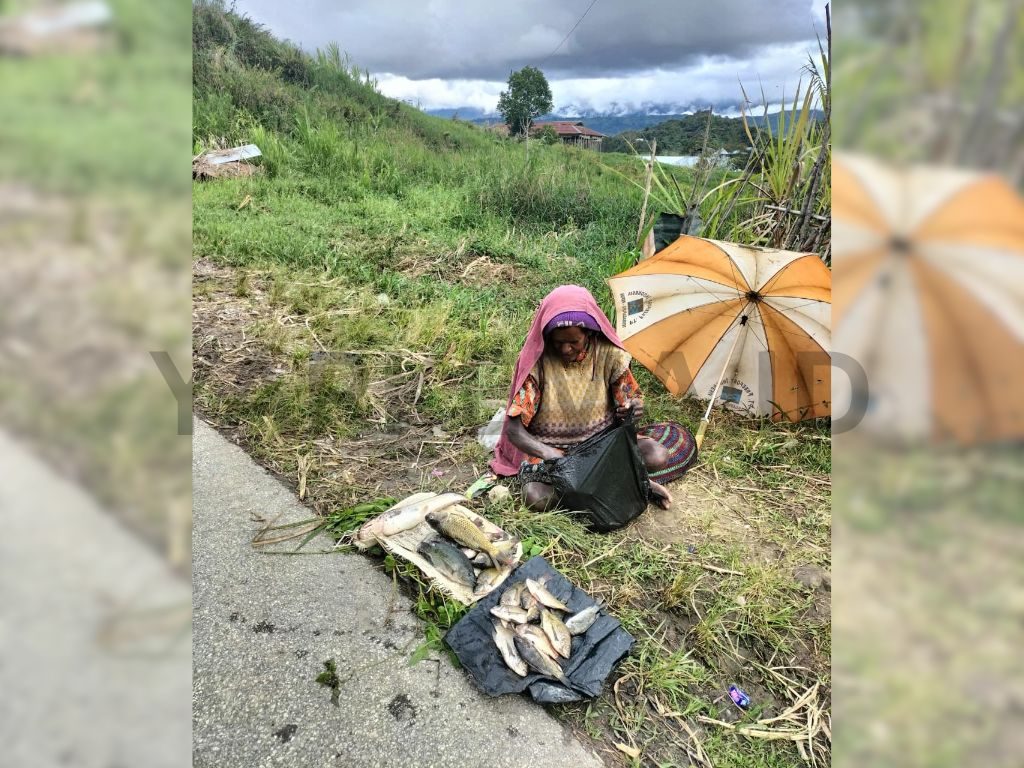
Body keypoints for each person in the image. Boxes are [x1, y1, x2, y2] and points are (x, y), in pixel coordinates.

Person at [490, 285, 674, 512]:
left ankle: (595, 486)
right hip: (554, 451)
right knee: (536, 498)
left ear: (589, 333)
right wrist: (549, 453)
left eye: (573, 341)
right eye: (558, 342)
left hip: (601, 447)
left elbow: (630, 400)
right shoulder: (538, 363)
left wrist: (634, 408)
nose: (565, 349)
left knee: (657, 455)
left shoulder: (609, 355)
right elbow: (514, 430)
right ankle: (625, 484)